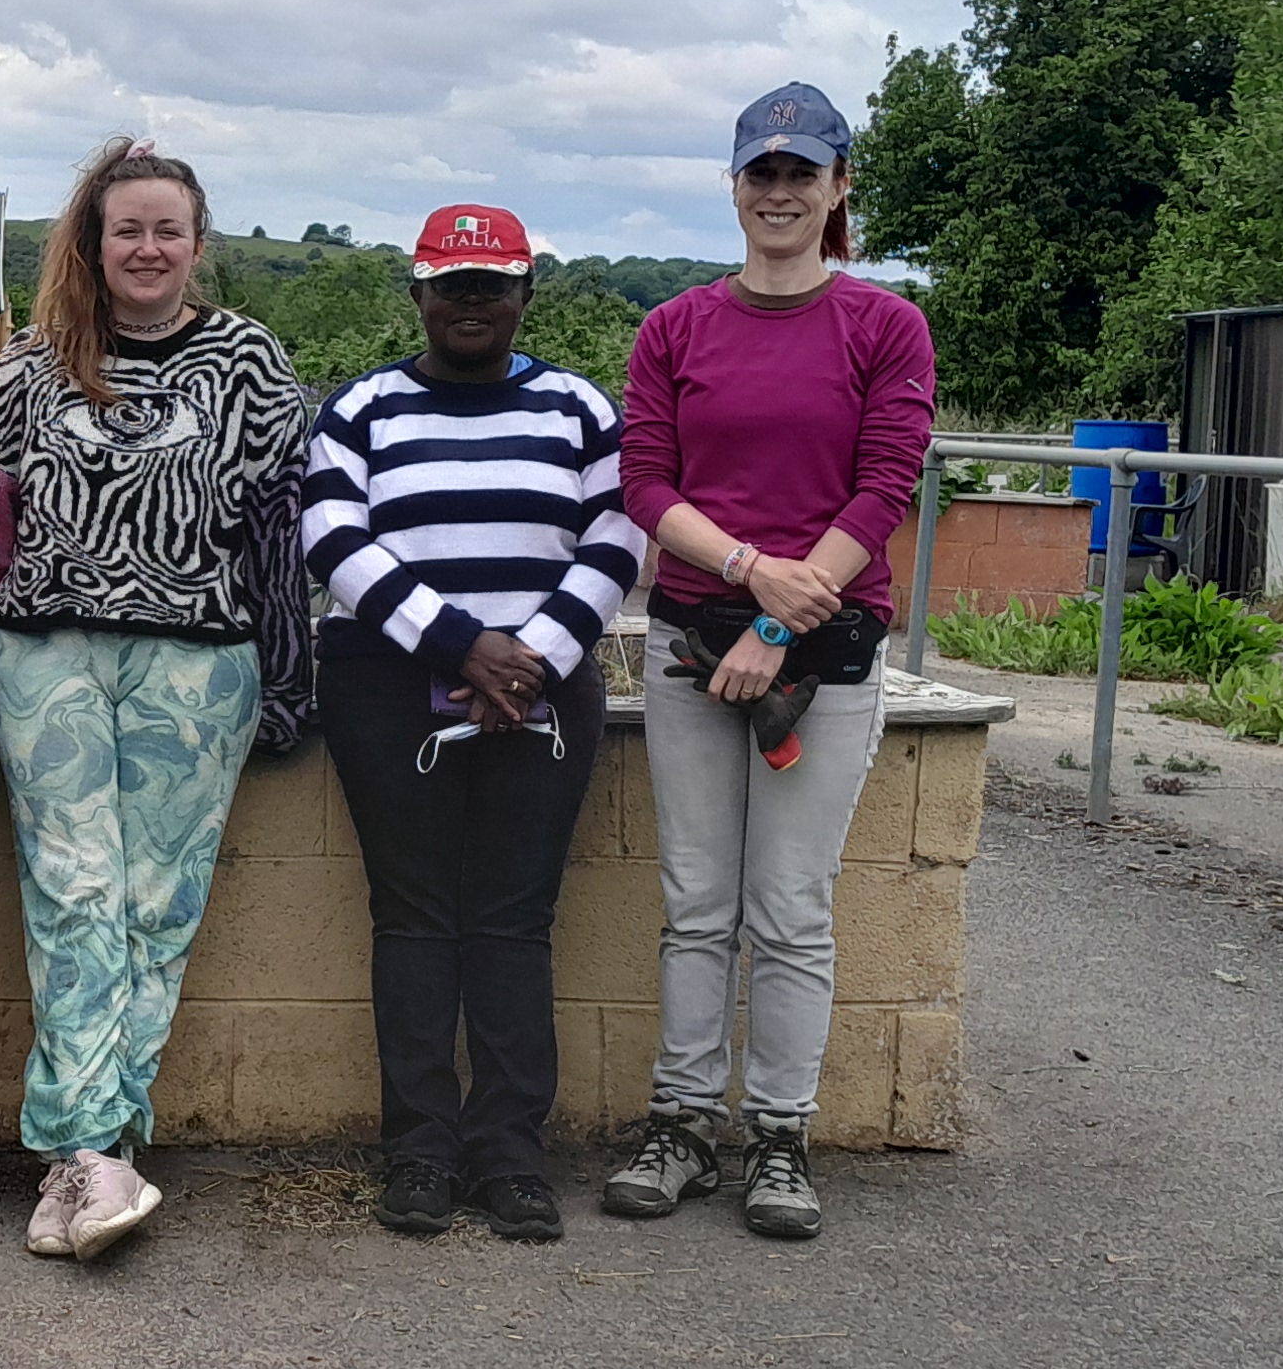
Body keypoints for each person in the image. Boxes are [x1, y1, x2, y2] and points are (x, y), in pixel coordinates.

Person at [0, 140, 311, 1261]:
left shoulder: (249, 363)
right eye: (127, 230)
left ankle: (85, 1159)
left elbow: (283, 529)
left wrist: (293, 675)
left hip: (201, 659)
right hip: (46, 647)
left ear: (198, 246)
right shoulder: (28, 367)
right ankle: (91, 1145)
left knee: (158, 906)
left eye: (168, 230)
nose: (147, 248)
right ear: (93, 245)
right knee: (75, 887)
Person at [605, 83, 937, 1243]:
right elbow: (648, 484)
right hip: (698, 640)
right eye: (763, 173)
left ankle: (780, 1136)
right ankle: (683, 1122)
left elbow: (885, 485)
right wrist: (750, 575)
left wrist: (784, 620)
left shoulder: (885, 327)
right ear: (735, 187)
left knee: (788, 908)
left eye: (805, 173)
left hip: (824, 655)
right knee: (697, 902)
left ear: (840, 188)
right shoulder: (676, 328)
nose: (781, 192)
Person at [299, 204, 647, 1243]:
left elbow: (618, 533)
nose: (471, 302)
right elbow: (331, 535)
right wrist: (460, 645)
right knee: (410, 917)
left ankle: (508, 1156)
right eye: (451, 284)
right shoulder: (361, 408)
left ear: (525, 294)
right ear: (417, 294)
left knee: (511, 919)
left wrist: (531, 654)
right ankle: (418, 1152)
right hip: (387, 684)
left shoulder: (581, 408)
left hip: (546, 693)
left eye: (492, 284)